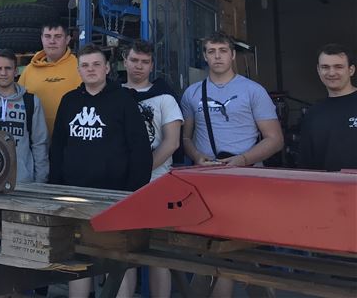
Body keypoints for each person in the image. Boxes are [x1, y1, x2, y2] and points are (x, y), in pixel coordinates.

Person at [180, 32, 283, 298]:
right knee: (209, 253)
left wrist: (243, 160)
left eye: (223, 51)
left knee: (252, 251)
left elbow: (275, 139)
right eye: (211, 51)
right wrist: (196, 156)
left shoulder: (253, 91)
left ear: (233, 55)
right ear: (204, 56)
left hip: (247, 180)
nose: (217, 56)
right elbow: (186, 137)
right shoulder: (192, 93)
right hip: (208, 182)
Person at [49, 45, 151, 298]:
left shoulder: (124, 100)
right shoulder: (69, 101)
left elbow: (140, 149)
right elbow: (58, 147)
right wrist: (56, 187)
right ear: (78, 70)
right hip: (74, 195)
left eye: (96, 64)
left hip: (114, 196)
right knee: (77, 257)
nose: (91, 70)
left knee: (118, 259)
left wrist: (131, 193)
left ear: (107, 68)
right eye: (85, 65)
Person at [117, 40, 183, 298]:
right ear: (125, 61)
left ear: (152, 65)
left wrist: (141, 172)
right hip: (120, 186)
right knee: (121, 254)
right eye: (134, 60)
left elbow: (172, 142)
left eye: (145, 62)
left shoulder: (165, 97)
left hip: (157, 183)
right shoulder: (112, 94)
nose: (139, 66)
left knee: (158, 255)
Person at [0, 48, 49, 183]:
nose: (3, 73)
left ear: (16, 71)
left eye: (8, 68)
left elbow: (40, 143)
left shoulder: (31, 101)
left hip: (23, 180)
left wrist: (40, 181)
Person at [299, 44, 357, 171]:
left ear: (351, 70)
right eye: (325, 67)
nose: (331, 73)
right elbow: (306, 164)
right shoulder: (313, 114)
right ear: (318, 70)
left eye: (338, 67)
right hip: (325, 183)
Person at [19, 21, 81, 134]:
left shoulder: (80, 67)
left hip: (71, 138)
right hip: (36, 140)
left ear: (67, 40)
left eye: (58, 36)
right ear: (41, 39)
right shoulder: (29, 70)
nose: (52, 41)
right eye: (47, 36)